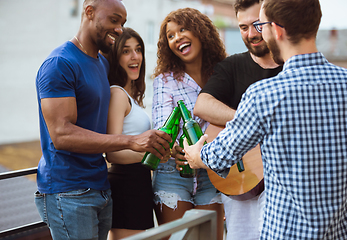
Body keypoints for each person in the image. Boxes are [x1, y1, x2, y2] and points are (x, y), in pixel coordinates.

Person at [184, 0, 347, 239]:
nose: (258, 32)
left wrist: (196, 155)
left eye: (262, 24)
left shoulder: (263, 95)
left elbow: (221, 155)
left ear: (276, 30)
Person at [34, 1, 171, 240]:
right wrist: (131, 141)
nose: (119, 29)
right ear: (89, 12)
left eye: (123, 23)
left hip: (101, 187)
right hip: (68, 191)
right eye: (114, 20)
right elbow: (62, 135)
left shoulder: (101, 63)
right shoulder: (60, 64)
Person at [193, 0, 282, 239]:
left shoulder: (291, 67)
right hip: (242, 180)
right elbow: (202, 105)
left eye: (257, 25)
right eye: (243, 27)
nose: (251, 34)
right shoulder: (232, 66)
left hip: (284, 184)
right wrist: (250, 123)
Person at [151, 7, 227, 240]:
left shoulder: (223, 73)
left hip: (213, 171)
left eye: (183, 29)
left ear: (200, 32)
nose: (177, 38)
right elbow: (163, 128)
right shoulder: (164, 81)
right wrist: (176, 149)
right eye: (170, 36)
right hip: (173, 172)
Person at [104, 27, 154, 239]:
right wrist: (155, 154)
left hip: (138, 183)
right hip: (126, 185)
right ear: (115, 58)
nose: (135, 57)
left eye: (138, 49)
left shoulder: (131, 97)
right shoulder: (117, 94)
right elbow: (112, 153)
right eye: (126, 51)